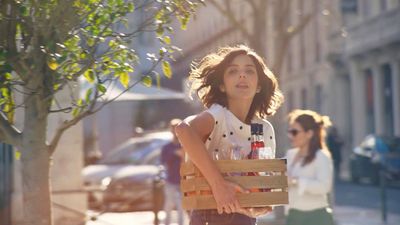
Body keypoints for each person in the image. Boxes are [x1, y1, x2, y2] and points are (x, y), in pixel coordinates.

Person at [175, 45, 284, 225]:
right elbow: (183, 130)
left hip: (246, 218)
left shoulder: (263, 129)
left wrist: (262, 204)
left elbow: (264, 188)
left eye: (249, 71)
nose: (242, 75)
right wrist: (219, 186)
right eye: (233, 71)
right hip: (210, 215)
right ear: (222, 86)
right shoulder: (218, 114)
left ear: (259, 86)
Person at [285, 109, 334, 225]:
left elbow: (324, 187)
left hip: (316, 217)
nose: (291, 136)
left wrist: (296, 181)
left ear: (309, 134)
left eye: (295, 132)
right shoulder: (290, 155)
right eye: (290, 131)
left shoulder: (321, 156)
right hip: (293, 216)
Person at [160, 118, 185, 225]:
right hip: (170, 180)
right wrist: (175, 153)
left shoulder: (185, 145)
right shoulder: (167, 147)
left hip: (183, 181)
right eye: (173, 128)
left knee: (181, 206)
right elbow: (163, 161)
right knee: (168, 205)